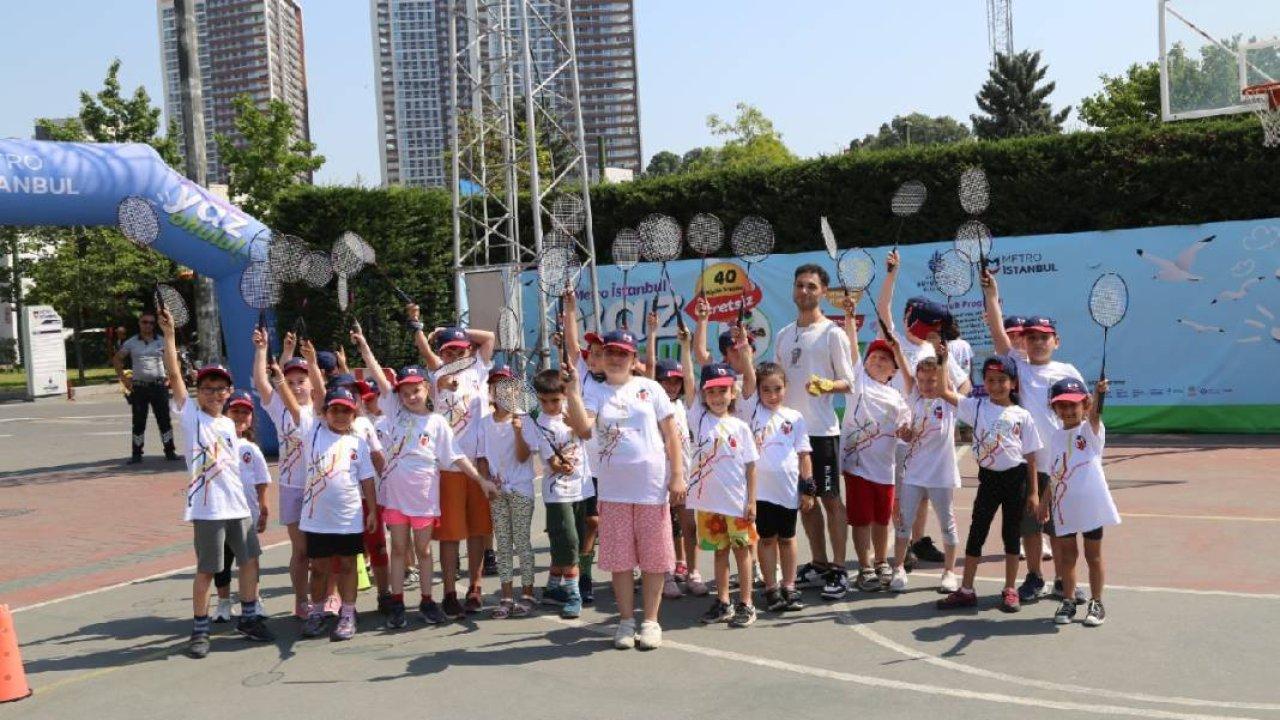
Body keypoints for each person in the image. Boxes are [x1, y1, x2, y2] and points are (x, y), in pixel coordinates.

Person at [157, 308, 273, 659]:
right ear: (198, 392)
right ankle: (200, 628)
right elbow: (174, 374)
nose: (215, 394)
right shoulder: (191, 417)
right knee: (208, 569)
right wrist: (170, 336)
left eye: (221, 389)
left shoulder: (229, 425)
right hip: (207, 510)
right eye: (208, 389)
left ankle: (249, 618)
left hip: (238, 507)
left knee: (250, 562)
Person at [563, 329, 686, 650]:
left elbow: (671, 435)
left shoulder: (651, 389)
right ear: (601, 359)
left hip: (651, 489)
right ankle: (626, 621)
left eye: (623, 354)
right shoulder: (595, 393)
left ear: (634, 360)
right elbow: (584, 429)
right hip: (614, 492)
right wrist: (573, 392)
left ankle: (651, 622)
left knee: (654, 560)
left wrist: (677, 475)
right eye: (610, 353)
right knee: (620, 561)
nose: (616, 358)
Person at [981, 268, 1085, 604]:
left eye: (1044, 336)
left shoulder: (1068, 371)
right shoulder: (1018, 367)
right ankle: (1035, 576)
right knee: (1030, 527)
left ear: (1056, 341)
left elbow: (1084, 411)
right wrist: (993, 294)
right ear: (1023, 342)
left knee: (1059, 528)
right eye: (1031, 337)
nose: (1037, 342)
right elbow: (998, 332)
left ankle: (1061, 581)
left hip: (1061, 466)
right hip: (1029, 466)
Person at [275, 340, 377, 642]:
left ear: (353, 414)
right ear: (326, 412)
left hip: (348, 517)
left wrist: (371, 509)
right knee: (318, 568)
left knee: (347, 566)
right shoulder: (312, 430)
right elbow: (315, 398)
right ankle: (317, 612)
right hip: (315, 518)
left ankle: (347, 614)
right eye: (335, 410)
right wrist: (305, 365)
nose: (340, 415)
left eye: (346, 411)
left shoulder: (358, 441)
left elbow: (368, 480)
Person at [876, 252, 972, 572]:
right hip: (897, 434)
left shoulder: (935, 351)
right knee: (902, 494)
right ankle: (903, 546)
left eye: (934, 327)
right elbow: (882, 309)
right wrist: (891, 273)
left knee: (924, 495)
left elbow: (965, 386)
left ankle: (916, 542)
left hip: (929, 438)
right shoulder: (893, 343)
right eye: (926, 324)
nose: (932, 332)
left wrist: (948, 408)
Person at [770, 265, 857, 600]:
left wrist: (826, 385)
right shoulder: (783, 334)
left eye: (811, 286)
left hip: (821, 432)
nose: (804, 291)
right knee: (806, 504)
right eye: (799, 286)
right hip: (790, 434)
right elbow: (776, 382)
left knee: (831, 499)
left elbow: (849, 382)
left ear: (823, 292)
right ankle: (819, 564)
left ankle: (839, 568)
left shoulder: (832, 333)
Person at [938, 356, 1042, 611]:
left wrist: (1034, 493)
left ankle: (1009, 589)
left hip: (1015, 480)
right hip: (989, 480)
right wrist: (942, 361)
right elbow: (943, 391)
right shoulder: (976, 407)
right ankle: (966, 589)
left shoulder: (1022, 415)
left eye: (1002, 380)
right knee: (977, 533)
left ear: (1013, 383)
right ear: (983, 383)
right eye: (990, 380)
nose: (996, 386)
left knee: (1011, 535)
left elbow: (1030, 456)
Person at [839, 295, 912, 593]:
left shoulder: (898, 398)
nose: (877, 360)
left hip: (884, 469)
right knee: (860, 520)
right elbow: (851, 343)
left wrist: (907, 431)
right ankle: (865, 567)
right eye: (873, 356)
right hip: (856, 466)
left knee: (882, 520)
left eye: (884, 359)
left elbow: (905, 429)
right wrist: (849, 316)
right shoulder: (857, 379)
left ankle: (882, 561)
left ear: (893, 371)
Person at [686, 362, 760, 628]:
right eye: (711, 393)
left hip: (736, 503)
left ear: (733, 393)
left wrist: (751, 500)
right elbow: (689, 381)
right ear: (704, 396)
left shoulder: (740, 427)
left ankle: (747, 603)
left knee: (743, 552)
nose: (717, 398)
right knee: (719, 553)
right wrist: (686, 349)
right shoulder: (698, 418)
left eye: (723, 391)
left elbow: (751, 466)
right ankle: (724, 602)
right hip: (709, 504)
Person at [738, 361, 812, 612]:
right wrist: (746, 354)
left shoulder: (795, 417)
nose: (772, 395)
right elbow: (747, 377)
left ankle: (789, 586)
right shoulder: (751, 411)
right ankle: (771, 587)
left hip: (789, 489)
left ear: (786, 388)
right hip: (761, 491)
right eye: (766, 389)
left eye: (777, 389)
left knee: (788, 539)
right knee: (767, 539)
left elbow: (804, 454)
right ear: (757, 391)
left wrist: (808, 487)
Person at [887, 348, 962, 594]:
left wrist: (945, 358)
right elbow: (906, 433)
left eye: (932, 380)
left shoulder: (949, 402)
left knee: (947, 524)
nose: (927, 385)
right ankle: (898, 567)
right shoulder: (913, 401)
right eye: (923, 380)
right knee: (903, 524)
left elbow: (947, 381)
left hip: (941, 475)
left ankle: (949, 572)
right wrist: (905, 434)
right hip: (914, 475)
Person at [1046, 377, 1119, 627]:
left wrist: (1100, 394)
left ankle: (1096, 602)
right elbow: (1053, 474)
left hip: (1091, 505)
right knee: (1067, 557)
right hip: (1064, 507)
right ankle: (1068, 600)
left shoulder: (1090, 430)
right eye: (1062, 405)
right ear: (1054, 408)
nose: (1068, 411)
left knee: (1093, 556)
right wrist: (1045, 503)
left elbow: (1097, 415)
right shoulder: (1055, 437)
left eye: (1073, 405)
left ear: (1085, 405)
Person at [253, 331, 314, 619]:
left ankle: (330, 596)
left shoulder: (324, 410)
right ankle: (302, 601)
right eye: (290, 383)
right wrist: (263, 349)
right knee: (301, 551)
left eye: (302, 381)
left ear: (312, 382)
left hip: (320, 488)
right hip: (292, 487)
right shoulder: (280, 410)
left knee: (324, 554)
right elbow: (262, 382)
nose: (297, 387)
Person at [526, 368, 595, 618]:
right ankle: (573, 593)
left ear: (565, 395)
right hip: (557, 494)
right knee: (570, 542)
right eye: (543, 401)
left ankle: (553, 589)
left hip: (582, 488)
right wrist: (559, 464)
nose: (549, 406)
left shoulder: (573, 412)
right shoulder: (538, 423)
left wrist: (575, 423)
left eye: (554, 400)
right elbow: (551, 462)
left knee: (566, 543)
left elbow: (588, 429)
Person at [645, 312, 701, 599]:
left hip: (684, 476)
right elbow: (650, 366)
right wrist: (652, 332)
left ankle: (692, 572)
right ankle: (666, 575)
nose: (673, 385)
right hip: (658, 478)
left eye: (676, 381)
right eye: (667, 381)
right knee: (662, 529)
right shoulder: (651, 404)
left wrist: (685, 346)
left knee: (689, 526)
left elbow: (691, 378)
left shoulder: (685, 406)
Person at [478, 365, 539, 617]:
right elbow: (481, 458)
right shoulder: (484, 423)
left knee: (522, 541)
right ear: (490, 390)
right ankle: (505, 596)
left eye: (506, 385)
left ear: (515, 390)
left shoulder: (524, 420)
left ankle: (527, 593)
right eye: (496, 385)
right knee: (502, 544)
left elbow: (525, 456)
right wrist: (486, 482)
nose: (501, 390)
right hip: (497, 492)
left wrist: (517, 432)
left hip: (521, 490)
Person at [212, 390, 271, 623]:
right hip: (222, 512)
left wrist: (264, 508)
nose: (240, 416)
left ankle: (254, 599)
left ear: (251, 418)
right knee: (222, 560)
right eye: (235, 411)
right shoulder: (215, 443)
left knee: (250, 559)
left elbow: (262, 480)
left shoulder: (251, 449)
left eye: (245, 412)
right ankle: (224, 602)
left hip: (247, 513)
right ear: (225, 414)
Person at [559, 291, 604, 604]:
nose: (594, 355)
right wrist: (570, 308)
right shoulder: (583, 375)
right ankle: (575, 578)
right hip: (578, 465)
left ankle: (586, 576)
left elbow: (586, 422)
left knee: (596, 523)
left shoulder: (619, 383)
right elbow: (572, 344)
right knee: (577, 525)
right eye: (593, 351)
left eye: (602, 352)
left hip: (606, 468)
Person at [113, 310, 179, 463]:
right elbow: (117, 359)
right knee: (138, 422)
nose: (148, 325)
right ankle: (136, 454)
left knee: (164, 420)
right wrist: (124, 379)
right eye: (144, 322)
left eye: (151, 322)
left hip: (159, 386)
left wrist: (171, 377)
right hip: (139, 387)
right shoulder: (131, 342)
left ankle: (170, 451)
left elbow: (174, 358)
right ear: (139, 323)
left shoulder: (162, 341)